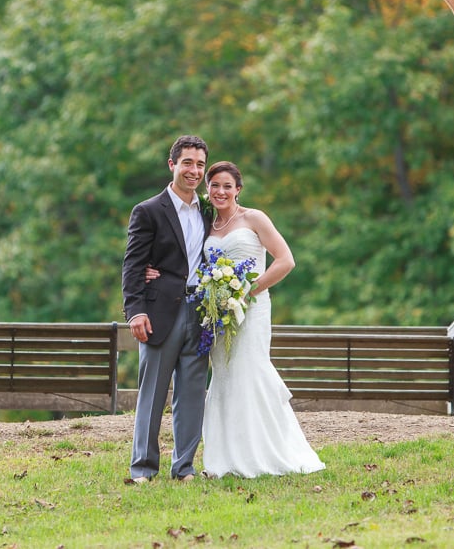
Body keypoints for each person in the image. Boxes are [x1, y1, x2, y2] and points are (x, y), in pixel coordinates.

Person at [146, 161, 325, 478]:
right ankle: (224, 460)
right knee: (225, 378)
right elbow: (181, 252)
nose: (220, 191)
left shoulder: (254, 218)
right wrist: (152, 270)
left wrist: (248, 291)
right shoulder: (206, 223)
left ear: (238, 190)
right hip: (216, 313)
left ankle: (266, 453)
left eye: (227, 186)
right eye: (214, 185)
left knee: (250, 372)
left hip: (251, 309)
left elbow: (285, 261)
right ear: (207, 189)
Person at [121, 135, 212, 484]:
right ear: (172, 165)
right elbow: (133, 265)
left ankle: (184, 467)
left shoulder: (206, 210)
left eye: (200, 164)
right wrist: (136, 311)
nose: (195, 170)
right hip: (160, 313)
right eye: (188, 163)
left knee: (191, 394)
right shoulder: (148, 210)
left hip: (199, 312)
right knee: (153, 393)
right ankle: (143, 468)